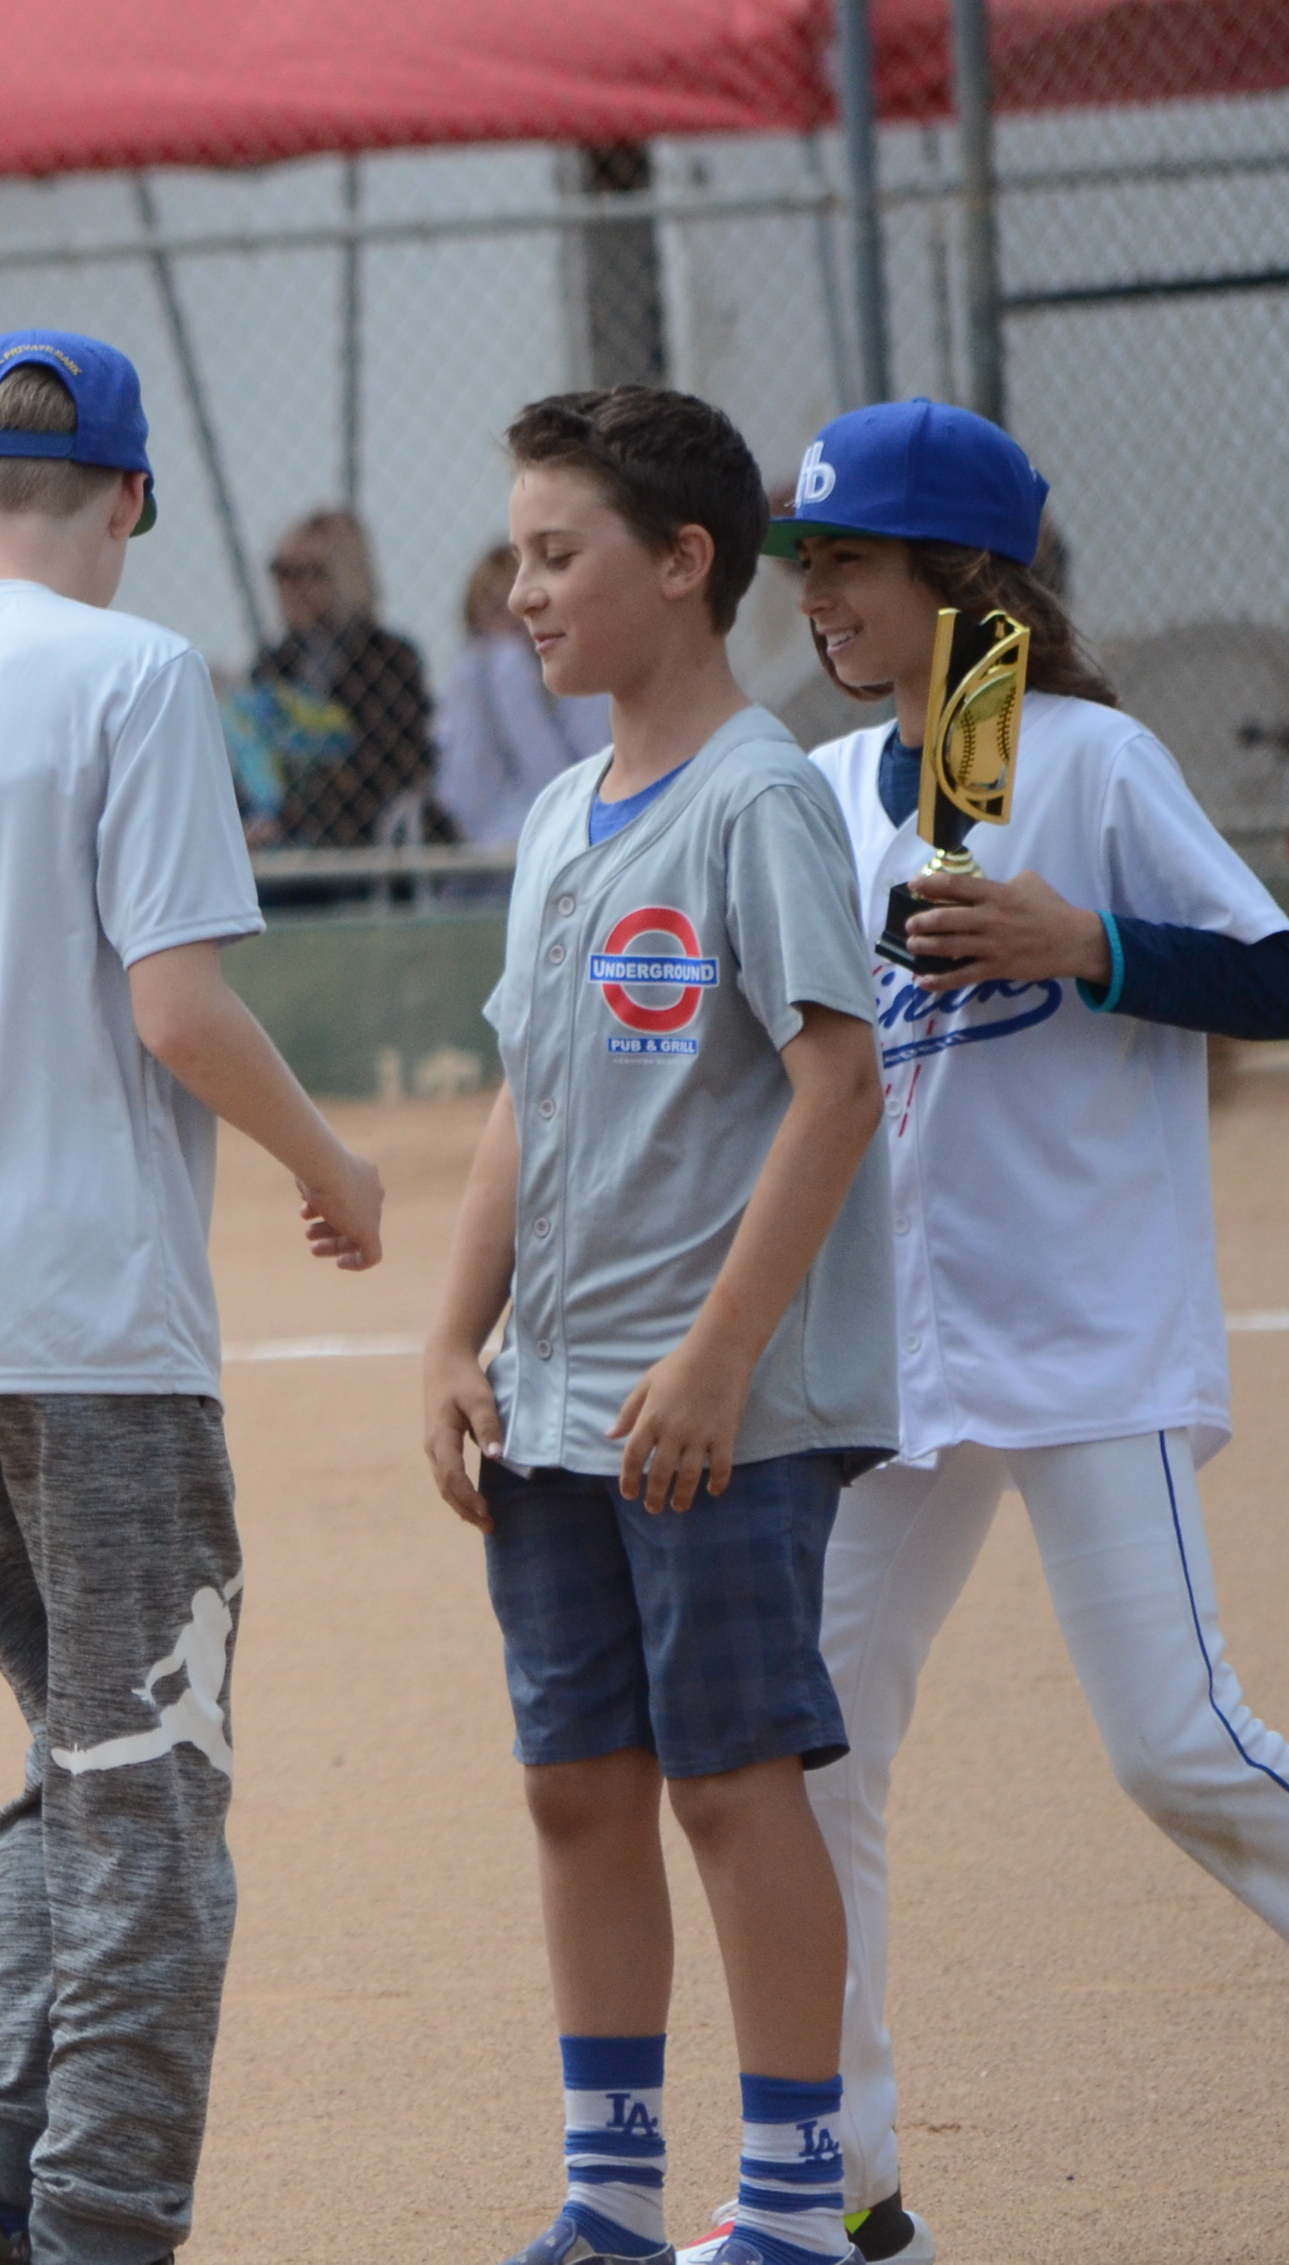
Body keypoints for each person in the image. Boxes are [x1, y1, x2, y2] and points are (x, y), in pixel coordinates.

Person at [768, 399, 1289, 2265]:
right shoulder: (821, 788)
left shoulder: (1088, 755)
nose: (814, 591)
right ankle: (840, 2191)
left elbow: (1284, 981)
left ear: (963, 575)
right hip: (894, 1347)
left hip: (1084, 1329)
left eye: (849, 559)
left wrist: (1089, 944)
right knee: (809, 1745)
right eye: (806, 559)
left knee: (1177, 1739)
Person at [0, 330, 385, 2265]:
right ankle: (101, 2224)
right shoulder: (137, 674)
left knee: (78, 1744)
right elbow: (178, 1005)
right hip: (82, 1321)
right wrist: (328, 1161)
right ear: (130, 497)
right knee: (150, 1783)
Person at [416, 387, 897, 2265]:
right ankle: (610, 2195)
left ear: (687, 563)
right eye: (517, 556)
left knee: (729, 1783)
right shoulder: (559, 813)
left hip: (713, 1414)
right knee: (574, 1785)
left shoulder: (758, 797)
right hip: (554, 1408)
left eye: (560, 555)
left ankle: (790, 2201)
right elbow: (522, 1101)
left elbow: (837, 1084)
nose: (524, 593)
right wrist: (453, 1336)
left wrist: (715, 1356)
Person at [218, 508, 435, 851]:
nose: (290, 587)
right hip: (275, 828)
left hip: (358, 830)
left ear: (344, 576)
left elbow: (386, 764)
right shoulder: (273, 664)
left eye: (307, 573)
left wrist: (290, 817)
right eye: (280, 572)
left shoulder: (388, 659)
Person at [435, 538, 611, 848]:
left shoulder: (582, 676)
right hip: (490, 835)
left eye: (517, 610)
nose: (508, 625)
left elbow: (564, 777)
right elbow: (467, 790)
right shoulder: (482, 667)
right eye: (493, 610)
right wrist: (510, 676)